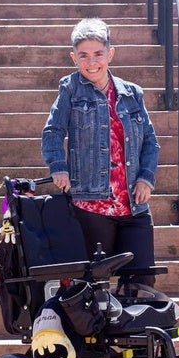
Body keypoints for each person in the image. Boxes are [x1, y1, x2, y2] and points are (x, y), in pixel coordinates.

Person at [41, 18, 160, 286]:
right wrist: (58, 166)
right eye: (83, 55)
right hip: (91, 205)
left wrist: (146, 178)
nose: (91, 62)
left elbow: (150, 142)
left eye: (98, 54)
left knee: (141, 283)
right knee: (95, 286)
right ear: (74, 58)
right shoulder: (70, 89)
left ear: (110, 54)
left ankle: (132, 329)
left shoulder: (132, 94)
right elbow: (52, 131)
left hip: (134, 205)